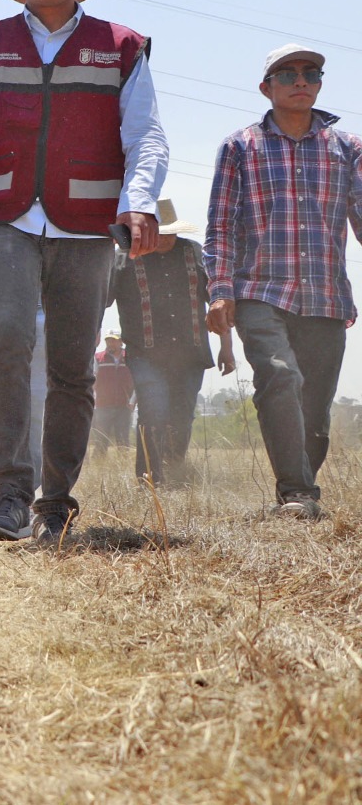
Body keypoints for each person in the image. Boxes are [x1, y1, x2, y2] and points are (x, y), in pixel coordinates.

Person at [0, 0, 168, 544]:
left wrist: (139, 200)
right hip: (3, 220)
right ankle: (8, 494)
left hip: (89, 225)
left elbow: (146, 134)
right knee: (5, 340)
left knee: (72, 366)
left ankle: (56, 500)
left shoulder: (122, 45)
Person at [205, 44, 362, 520]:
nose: (301, 80)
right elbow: (221, 225)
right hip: (260, 291)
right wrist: (219, 291)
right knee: (279, 375)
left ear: (319, 84)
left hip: (325, 294)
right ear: (266, 87)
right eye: (288, 73)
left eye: (310, 73)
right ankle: (297, 494)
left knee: (314, 410)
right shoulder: (240, 146)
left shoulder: (349, 148)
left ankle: (300, 491)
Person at [109, 199, 228, 485]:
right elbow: (101, 299)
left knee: (182, 415)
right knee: (152, 411)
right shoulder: (123, 257)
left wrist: (227, 347)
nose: (164, 239)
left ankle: (174, 470)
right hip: (144, 353)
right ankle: (149, 478)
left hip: (190, 353)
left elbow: (218, 302)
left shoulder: (195, 253)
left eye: (169, 232)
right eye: (157, 233)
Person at [91, 331, 134, 452]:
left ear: (121, 342)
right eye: (108, 340)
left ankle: (123, 467)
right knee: (100, 441)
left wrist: (133, 401)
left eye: (113, 340)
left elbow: (136, 381)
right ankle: (99, 468)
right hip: (102, 406)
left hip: (124, 406)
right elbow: (93, 380)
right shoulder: (98, 358)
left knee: (123, 442)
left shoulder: (130, 358)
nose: (110, 343)